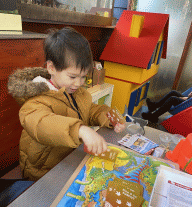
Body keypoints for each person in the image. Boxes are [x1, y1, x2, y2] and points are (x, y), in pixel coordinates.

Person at [8, 27, 125, 181]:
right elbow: (42, 123)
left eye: (83, 77)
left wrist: (107, 117)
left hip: (68, 161)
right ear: (51, 68)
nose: (78, 83)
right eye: (72, 76)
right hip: (43, 172)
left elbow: (89, 111)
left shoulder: (76, 92)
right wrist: (80, 130)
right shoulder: (35, 98)